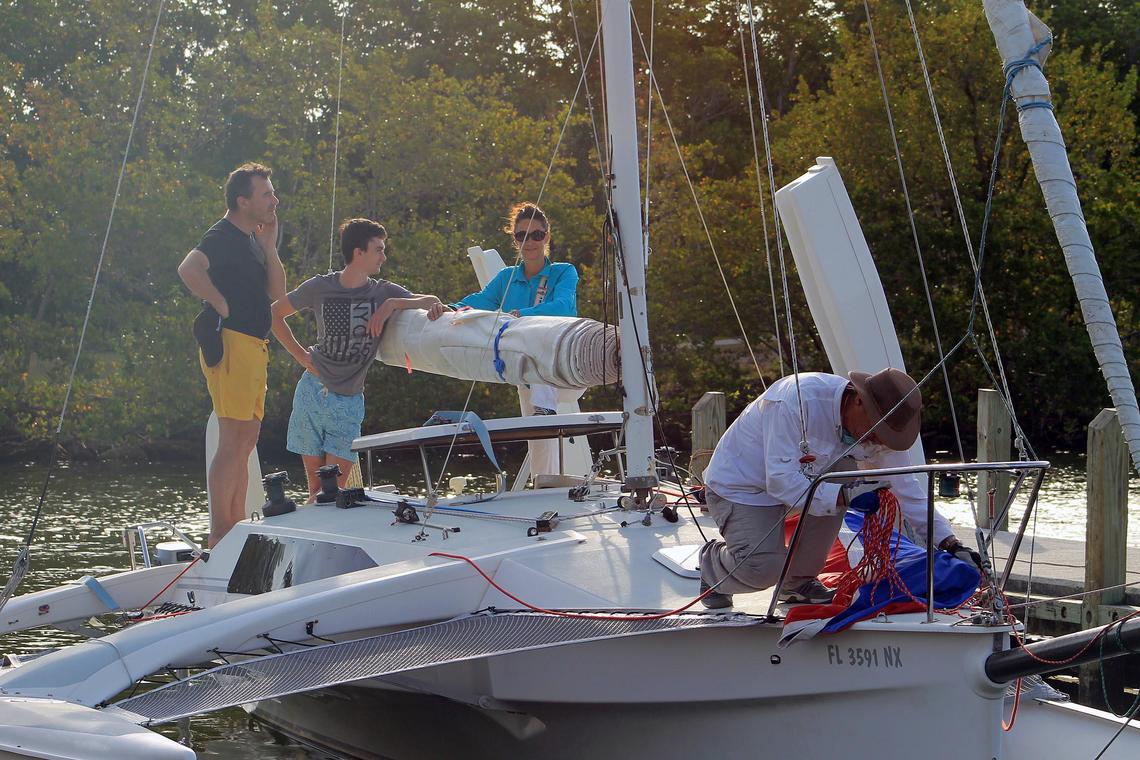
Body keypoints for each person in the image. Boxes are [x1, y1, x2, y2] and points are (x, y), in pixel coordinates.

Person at [698, 368, 981, 609]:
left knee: (841, 474)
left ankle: (796, 584)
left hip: (807, 484)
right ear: (858, 401)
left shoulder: (881, 435)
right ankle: (712, 566)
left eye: (887, 435)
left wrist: (950, 543)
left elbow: (907, 490)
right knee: (762, 570)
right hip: (744, 487)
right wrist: (846, 496)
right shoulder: (795, 401)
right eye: (876, 430)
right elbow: (781, 480)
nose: (878, 441)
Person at [272, 218, 451, 503]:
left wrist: (391, 305)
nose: (384, 256)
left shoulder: (382, 292)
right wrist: (300, 355)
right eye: (378, 249)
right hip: (311, 392)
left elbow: (432, 301)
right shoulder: (319, 286)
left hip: (349, 401)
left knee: (331, 492)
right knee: (316, 491)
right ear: (359, 252)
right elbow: (274, 314)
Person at [178, 163, 286, 547]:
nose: (274, 200)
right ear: (243, 201)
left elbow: (278, 294)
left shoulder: (253, 239)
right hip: (232, 344)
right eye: (266, 194)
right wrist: (219, 302)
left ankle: (236, 525)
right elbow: (189, 268)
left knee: (246, 439)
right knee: (231, 439)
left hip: (255, 346)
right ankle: (220, 532)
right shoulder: (222, 234)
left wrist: (269, 247)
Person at [427, 202, 578, 415]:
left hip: (566, 367)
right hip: (527, 375)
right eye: (522, 236)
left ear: (547, 237)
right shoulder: (507, 277)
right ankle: (542, 414)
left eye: (536, 235)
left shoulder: (564, 272)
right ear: (515, 240)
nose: (529, 242)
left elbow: (562, 307)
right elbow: (481, 301)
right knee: (536, 435)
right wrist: (450, 308)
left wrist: (520, 315)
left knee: (538, 343)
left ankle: (545, 410)